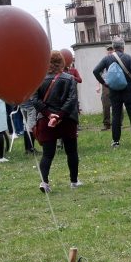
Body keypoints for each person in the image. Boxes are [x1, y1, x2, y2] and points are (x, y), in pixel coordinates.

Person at [29, 50, 80, 192]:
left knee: (47, 154)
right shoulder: (69, 78)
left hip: (46, 120)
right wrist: (59, 115)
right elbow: (72, 100)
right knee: (71, 151)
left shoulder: (38, 79)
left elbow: (34, 99)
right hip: (67, 119)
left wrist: (49, 114)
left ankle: (44, 182)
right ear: (62, 62)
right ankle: (74, 181)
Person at [92, 38, 131, 147]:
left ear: (113, 46)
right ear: (123, 47)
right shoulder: (128, 58)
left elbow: (95, 71)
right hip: (128, 90)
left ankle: (115, 141)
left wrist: (104, 83)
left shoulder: (107, 59)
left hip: (114, 91)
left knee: (116, 115)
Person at [98, 45, 113, 130]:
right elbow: (98, 74)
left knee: (117, 103)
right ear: (106, 52)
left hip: (116, 84)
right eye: (108, 50)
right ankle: (107, 124)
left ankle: (118, 123)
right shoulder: (104, 61)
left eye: (111, 50)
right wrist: (98, 86)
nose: (110, 51)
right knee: (106, 104)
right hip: (106, 84)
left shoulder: (117, 60)